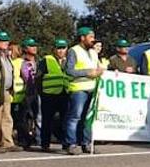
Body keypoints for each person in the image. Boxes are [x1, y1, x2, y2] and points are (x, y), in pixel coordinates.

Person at [63, 26, 103, 154]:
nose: (93, 40)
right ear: (82, 38)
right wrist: (87, 73)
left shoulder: (93, 52)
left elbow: (97, 68)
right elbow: (69, 70)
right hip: (78, 89)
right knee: (75, 117)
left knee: (88, 118)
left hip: (92, 89)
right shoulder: (73, 51)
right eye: (90, 37)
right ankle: (71, 144)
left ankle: (86, 143)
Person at [37, 38, 71, 152]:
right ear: (54, 49)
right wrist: (41, 93)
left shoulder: (69, 61)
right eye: (58, 48)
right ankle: (45, 144)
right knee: (47, 120)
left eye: (63, 48)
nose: (61, 51)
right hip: (49, 95)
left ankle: (66, 143)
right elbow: (38, 78)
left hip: (64, 94)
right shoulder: (47, 60)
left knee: (65, 120)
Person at [14, 38, 40, 149]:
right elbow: (26, 77)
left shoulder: (38, 62)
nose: (34, 47)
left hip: (37, 92)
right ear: (25, 48)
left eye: (35, 45)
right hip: (26, 93)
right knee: (23, 117)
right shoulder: (22, 62)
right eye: (31, 46)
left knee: (35, 116)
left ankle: (35, 137)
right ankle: (24, 139)